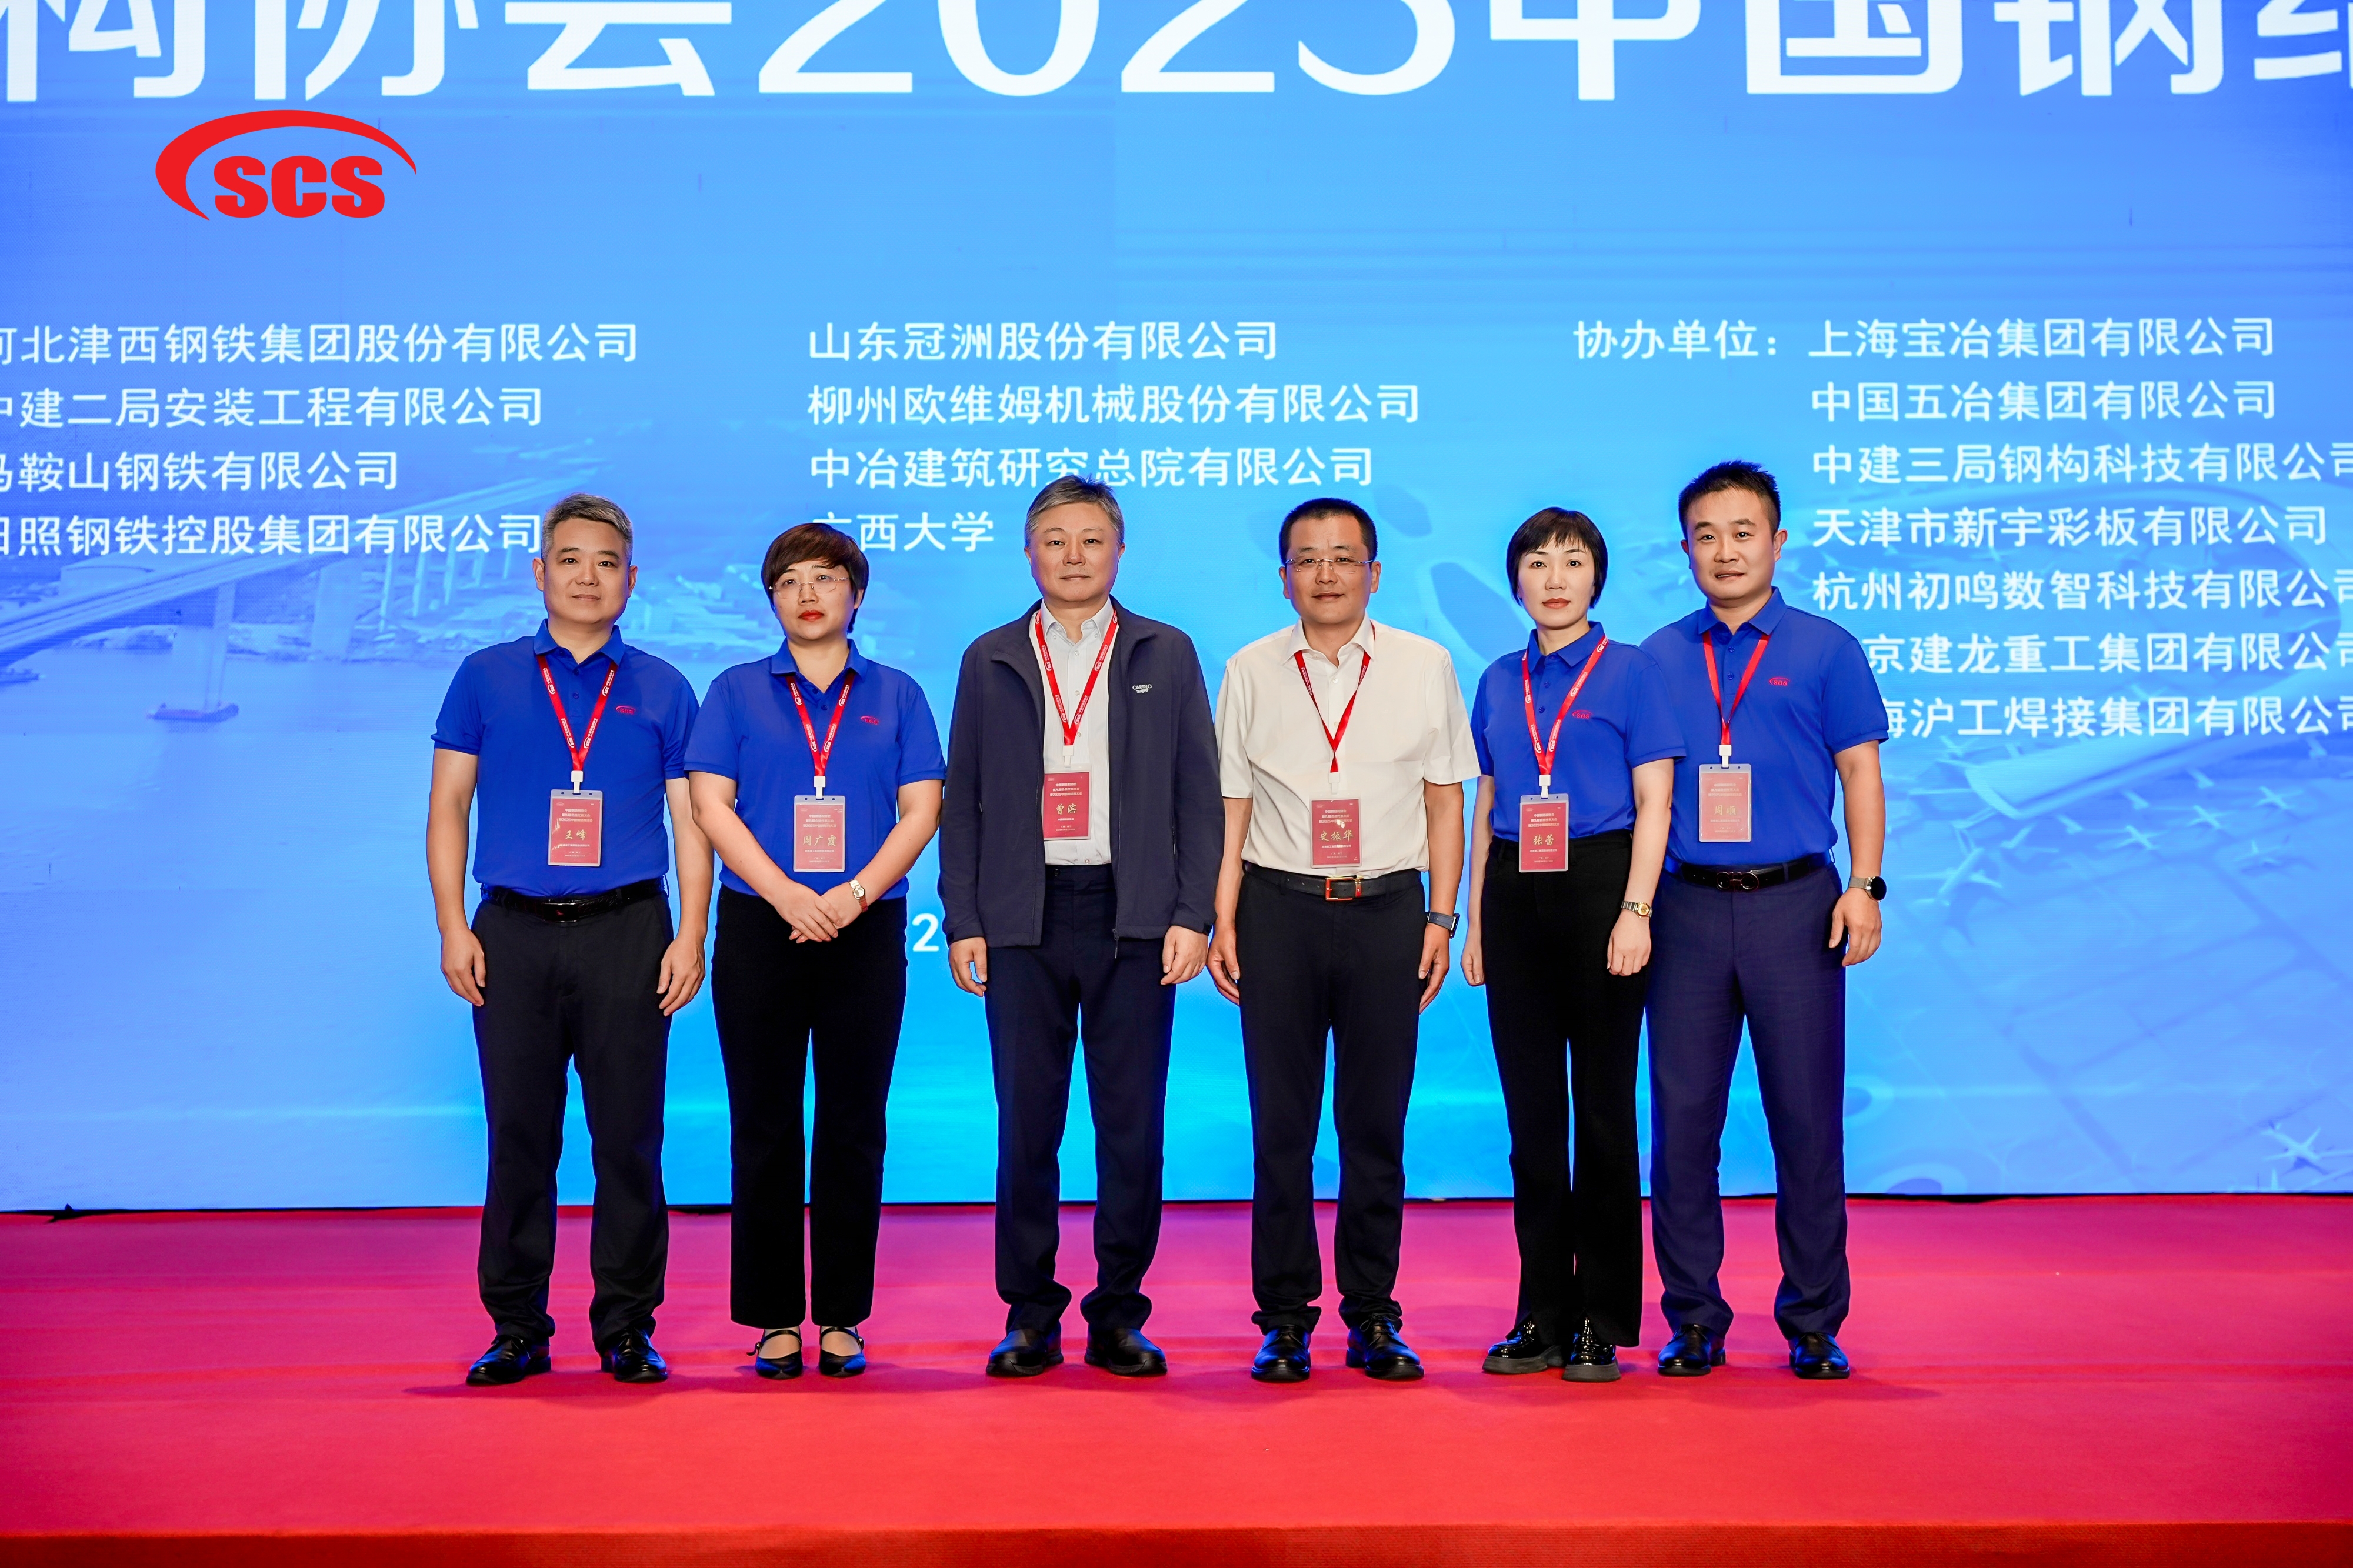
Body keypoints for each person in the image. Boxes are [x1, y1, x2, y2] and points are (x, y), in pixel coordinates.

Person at [939, 475, 1222, 1379]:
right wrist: (964, 917)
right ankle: (1029, 1313)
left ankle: (1119, 1313)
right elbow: (963, 798)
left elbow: (1199, 794)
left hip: (1131, 914)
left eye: (1091, 539)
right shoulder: (990, 657)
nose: (1073, 556)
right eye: (1055, 540)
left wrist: (1192, 912)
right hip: (1021, 917)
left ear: (1120, 551)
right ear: (1029, 553)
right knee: (1027, 1127)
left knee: (1130, 1126)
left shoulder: (1165, 650)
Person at [427, 492, 711, 1387]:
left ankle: (627, 1326)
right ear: (540, 572)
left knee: (629, 1140)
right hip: (510, 930)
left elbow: (692, 821)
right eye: (571, 559)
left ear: (632, 578)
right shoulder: (484, 676)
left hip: (629, 930)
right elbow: (448, 806)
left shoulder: (664, 686)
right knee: (520, 1138)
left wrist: (691, 932)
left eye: (606, 563)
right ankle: (518, 1327)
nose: (588, 577)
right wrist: (452, 926)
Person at [1208, 496, 1479, 1384]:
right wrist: (1222, 917)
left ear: (1375, 572)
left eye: (1343, 557)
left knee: (1375, 1126)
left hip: (1388, 911)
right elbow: (1232, 805)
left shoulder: (1424, 664)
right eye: (1307, 559)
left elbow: (1446, 797)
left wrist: (1443, 916)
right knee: (1281, 1129)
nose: (1326, 574)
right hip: (1277, 910)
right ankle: (1285, 1318)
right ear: (1283, 576)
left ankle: (1373, 1312)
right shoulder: (1250, 668)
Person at [1641, 460, 1888, 1382]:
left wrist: (1866, 885)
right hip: (1687, 910)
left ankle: (1813, 1319)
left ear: (1778, 542)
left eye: (1743, 532)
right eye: (1706, 535)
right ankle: (1693, 1318)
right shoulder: (1658, 655)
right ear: (1685, 549)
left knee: (1807, 1121)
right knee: (1683, 1125)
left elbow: (1860, 772)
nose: (1726, 551)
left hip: (1797, 907)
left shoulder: (1827, 649)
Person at [685, 523, 944, 1380]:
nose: (808, 593)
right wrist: (787, 894)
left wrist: (852, 894)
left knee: (852, 1124)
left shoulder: (898, 694)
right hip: (762, 923)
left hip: (865, 925)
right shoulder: (734, 690)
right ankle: (771, 1318)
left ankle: (840, 1315)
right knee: (763, 1123)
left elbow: (921, 810)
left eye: (826, 578)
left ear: (856, 595)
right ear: (772, 599)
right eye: (790, 580)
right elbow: (712, 806)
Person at [1461, 508, 1682, 1383]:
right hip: (1514, 886)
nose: (1555, 578)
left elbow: (1656, 801)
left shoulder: (1633, 671)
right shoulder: (1497, 679)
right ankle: (1541, 1313)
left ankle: (1601, 1319)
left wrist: (1637, 909)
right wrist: (1476, 920)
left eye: (1574, 561)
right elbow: (1487, 801)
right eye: (1538, 563)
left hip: (1602, 884)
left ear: (1598, 577)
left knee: (1601, 1113)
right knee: (1532, 1120)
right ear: (1515, 579)